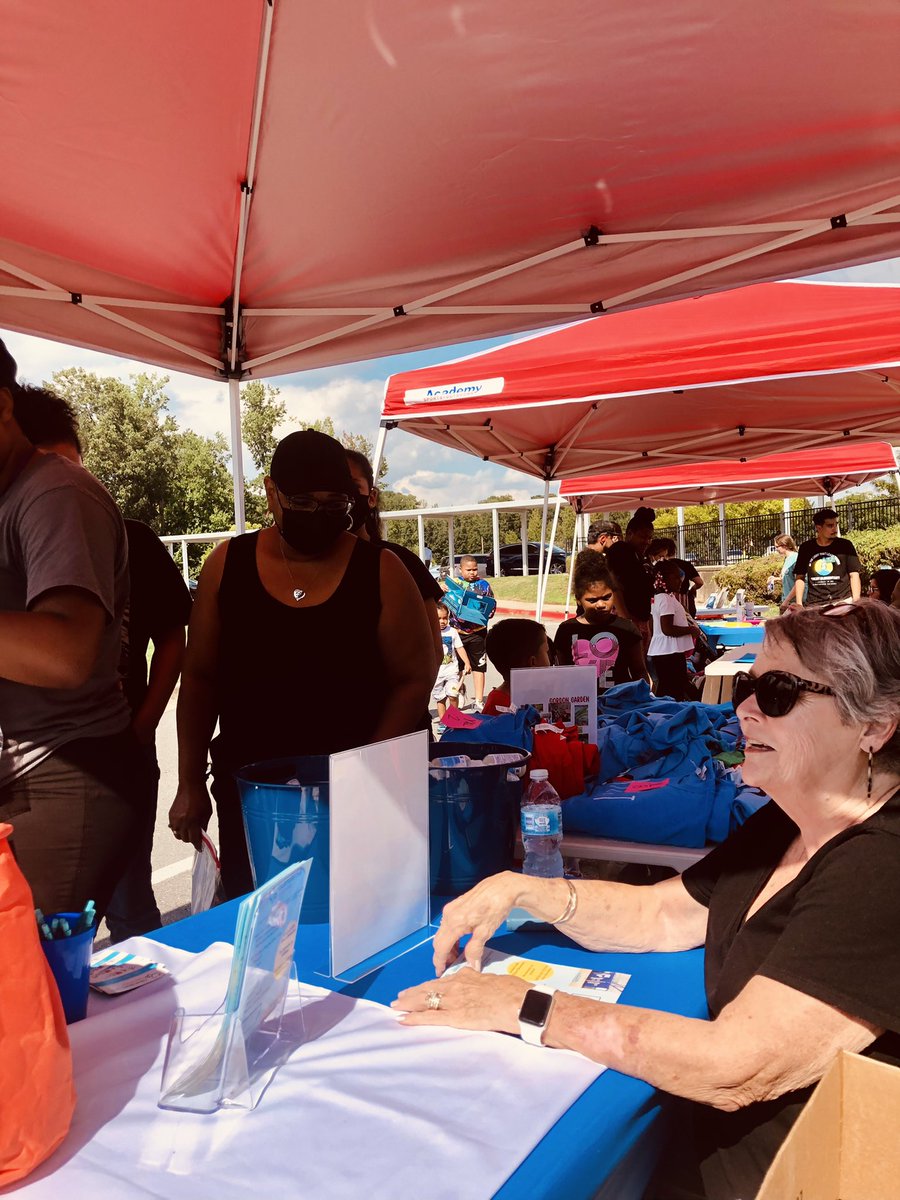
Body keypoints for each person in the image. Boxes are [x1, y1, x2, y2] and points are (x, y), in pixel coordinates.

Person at [393, 600, 900, 1200]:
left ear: (873, 725)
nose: (744, 709)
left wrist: (523, 1007)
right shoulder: (791, 820)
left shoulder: (881, 865)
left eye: (780, 693)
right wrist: (527, 889)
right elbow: (666, 912)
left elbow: (737, 1065)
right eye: (747, 685)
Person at [168, 429, 434, 899]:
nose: (319, 516)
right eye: (304, 503)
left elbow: (414, 679)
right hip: (252, 795)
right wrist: (188, 781)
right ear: (272, 494)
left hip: (356, 796)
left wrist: (365, 771)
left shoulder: (382, 569)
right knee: (261, 920)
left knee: (355, 916)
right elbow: (200, 679)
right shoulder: (226, 565)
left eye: (334, 505)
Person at [17, 386, 193, 939]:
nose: (58, 485)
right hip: (50, 763)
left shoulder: (125, 532)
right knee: (53, 935)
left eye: (66, 468)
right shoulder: (19, 521)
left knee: (129, 907)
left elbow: (173, 641)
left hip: (110, 749)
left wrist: (141, 730)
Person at [0, 341, 147, 917]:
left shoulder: (54, 493)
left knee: (31, 983)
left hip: (68, 772)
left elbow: (66, 652)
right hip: (29, 771)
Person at [345, 448, 443, 674]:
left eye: (351, 486)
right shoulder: (309, 563)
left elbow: (432, 652)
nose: (343, 497)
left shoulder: (402, 561)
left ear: (371, 497)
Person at [553, 558, 647, 691]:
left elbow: (639, 671)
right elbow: (562, 673)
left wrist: (642, 696)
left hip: (620, 704)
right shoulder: (566, 629)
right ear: (578, 600)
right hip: (581, 705)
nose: (601, 605)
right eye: (592, 600)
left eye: (606, 597)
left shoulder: (627, 628)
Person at [444, 554, 495, 711]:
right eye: (469, 570)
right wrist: (442, 592)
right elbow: (443, 606)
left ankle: (479, 699)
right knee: (457, 667)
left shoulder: (484, 585)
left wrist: (486, 612)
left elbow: (491, 605)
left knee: (479, 666)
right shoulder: (454, 584)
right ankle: (458, 692)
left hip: (478, 632)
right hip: (457, 632)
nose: (472, 572)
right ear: (460, 569)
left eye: (475, 569)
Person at [606, 506, 655, 655]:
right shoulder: (621, 550)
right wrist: (626, 619)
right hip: (627, 620)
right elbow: (614, 584)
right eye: (642, 537)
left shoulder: (640, 557)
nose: (647, 541)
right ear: (629, 534)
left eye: (649, 537)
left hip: (640, 619)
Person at [648, 559, 697, 701]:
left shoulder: (660, 598)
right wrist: (690, 630)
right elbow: (667, 629)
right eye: (675, 577)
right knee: (672, 690)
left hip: (664, 651)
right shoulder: (666, 600)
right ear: (663, 579)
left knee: (669, 687)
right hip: (669, 652)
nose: (680, 580)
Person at [793, 509, 861, 607]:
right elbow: (800, 577)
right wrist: (799, 603)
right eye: (830, 526)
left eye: (836, 524)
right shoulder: (806, 548)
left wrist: (856, 601)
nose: (835, 529)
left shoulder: (845, 545)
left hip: (843, 601)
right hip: (815, 603)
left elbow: (854, 574)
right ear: (818, 527)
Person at [482, 619, 552, 714]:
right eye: (546, 651)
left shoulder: (521, 698)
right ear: (533, 661)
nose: (550, 659)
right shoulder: (501, 707)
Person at [433, 602, 471, 724]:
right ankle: (444, 722)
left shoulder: (452, 632)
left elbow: (459, 648)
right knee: (440, 698)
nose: (442, 621)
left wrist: (467, 662)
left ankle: (454, 718)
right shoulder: (431, 632)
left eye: (445, 618)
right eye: (439, 618)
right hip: (437, 672)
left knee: (453, 694)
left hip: (451, 670)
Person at [648, 536, 703, 616]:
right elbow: (699, 582)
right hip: (679, 600)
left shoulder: (657, 567)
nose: (679, 582)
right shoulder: (679, 566)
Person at [773, 533, 799, 611]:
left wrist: (786, 601)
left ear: (784, 546)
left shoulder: (795, 559)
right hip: (787, 601)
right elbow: (788, 577)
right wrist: (775, 579)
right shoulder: (787, 559)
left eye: (777, 547)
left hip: (794, 603)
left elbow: (799, 582)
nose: (776, 549)